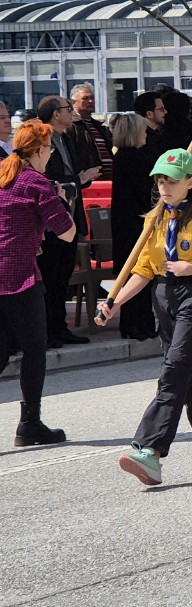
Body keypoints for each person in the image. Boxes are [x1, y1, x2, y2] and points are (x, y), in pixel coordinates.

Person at [98, 150, 192, 486]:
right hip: (162, 297)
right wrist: (115, 302)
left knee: (174, 369)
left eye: (172, 180)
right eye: (161, 180)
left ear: (190, 183)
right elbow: (143, 270)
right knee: (188, 372)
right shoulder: (155, 220)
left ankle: (149, 450)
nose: (164, 186)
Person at [0, 122, 76, 446]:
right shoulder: (37, 182)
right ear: (38, 150)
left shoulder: (3, 173)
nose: (52, 152)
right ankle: (29, 423)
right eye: (49, 147)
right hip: (20, 279)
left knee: (1, 352)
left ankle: (29, 424)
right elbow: (68, 232)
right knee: (34, 350)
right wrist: (60, 200)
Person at [36, 95, 99, 347]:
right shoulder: (43, 140)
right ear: (54, 114)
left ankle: (60, 327)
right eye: (66, 108)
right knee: (50, 277)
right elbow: (50, 178)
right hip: (52, 221)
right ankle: (48, 330)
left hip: (70, 216)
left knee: (63, 276)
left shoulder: (66, 137)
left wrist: (84, 177)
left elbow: (73, 173)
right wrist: (78, 178)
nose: (71, 111)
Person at [109, 113, 159, 340]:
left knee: (136, 274)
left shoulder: (125, 157)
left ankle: (139, 323)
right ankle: (136, 325)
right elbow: (144, 191)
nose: (146, 134)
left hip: (128, 223)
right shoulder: (131, 158)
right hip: (133, 224)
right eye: (142, 130)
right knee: (136, 274)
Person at [69, 83, 112, 181]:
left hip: (108, 181)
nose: (90, 101)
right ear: (73, 102)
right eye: (85, 98)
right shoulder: (71, 125)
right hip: (88, 183)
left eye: (92, 98)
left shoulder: (99, 126)